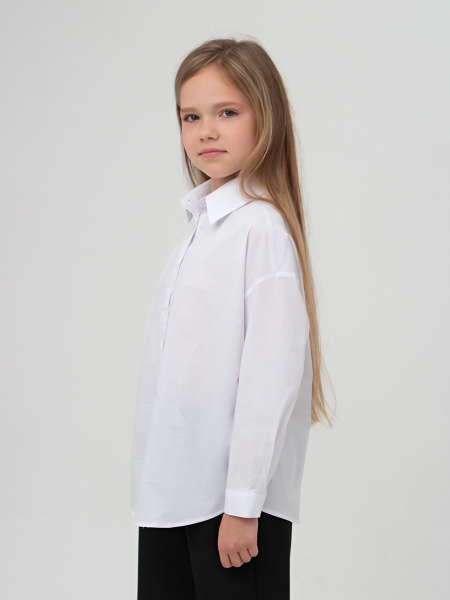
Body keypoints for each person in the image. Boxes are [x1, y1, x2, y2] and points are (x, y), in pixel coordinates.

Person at [130, 36, 336, 600]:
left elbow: (269, 379)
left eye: (227, 112)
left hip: (229, 509)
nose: (206, 131)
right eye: (190, 116)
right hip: (173, 495)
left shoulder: (260, 229)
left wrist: (244, 505)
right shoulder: (201, 229)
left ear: (265, 117)